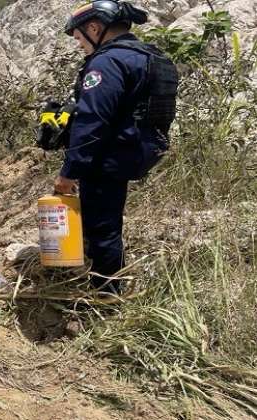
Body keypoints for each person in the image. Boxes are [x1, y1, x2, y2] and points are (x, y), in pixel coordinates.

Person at [55, 1, 178, 292]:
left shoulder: (106, 62)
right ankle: (101, 271)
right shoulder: (150, 56)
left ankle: (106, 297)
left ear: (95, 28)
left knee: (103, 229)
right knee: (106, 221)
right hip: (140, 148)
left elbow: (93, 120)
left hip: (109, 157)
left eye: (78, 38)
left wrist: (69, 172)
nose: (79, 45)